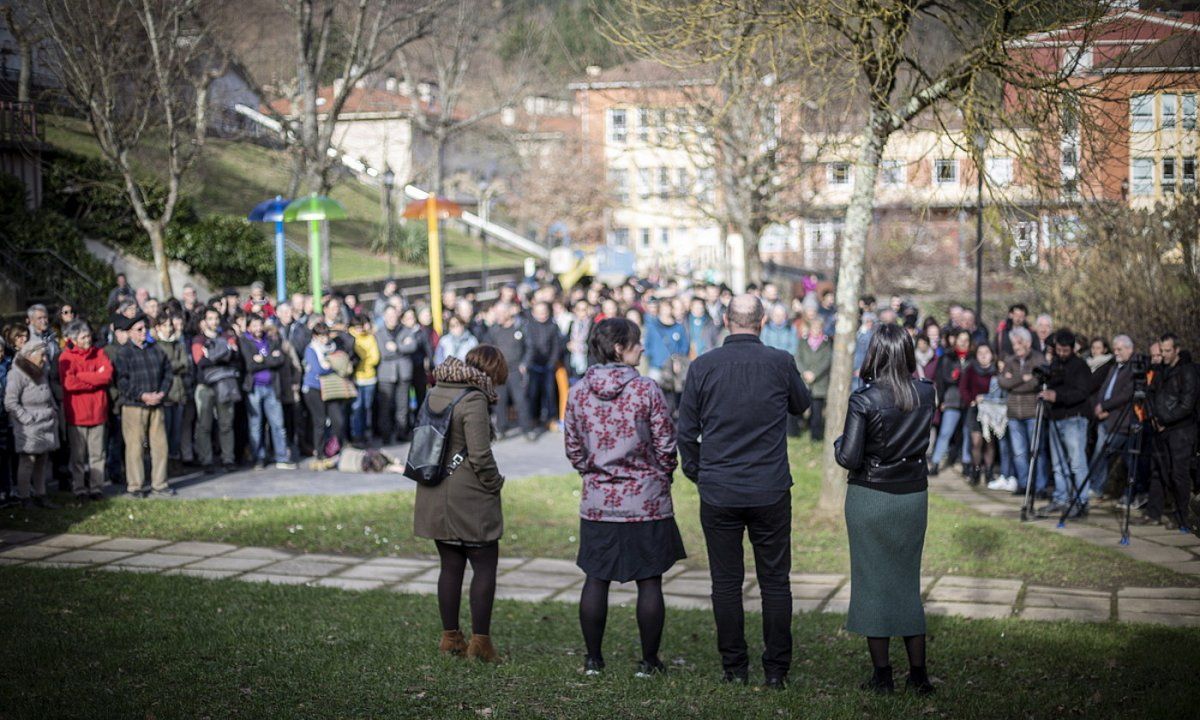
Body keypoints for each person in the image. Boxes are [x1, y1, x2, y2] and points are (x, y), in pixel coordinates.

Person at [676, 295, 810, 688]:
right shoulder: (780, 362)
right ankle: (775, 671)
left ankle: (735, 668)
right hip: (767, 488)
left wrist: (700, 472)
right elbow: (801, 406)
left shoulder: (703, 366)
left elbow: (686, 432)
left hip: (721, 489)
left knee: (726, 582)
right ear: (762, 321)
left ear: (725, 320)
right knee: (774, 581)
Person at [563, 318, 684, 678]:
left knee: (595, 578)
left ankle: (593, 660)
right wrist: (661, 474)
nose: (642, 348)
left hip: (599, 502)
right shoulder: (647, 390)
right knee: (649, 580)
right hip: (645, 502)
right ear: (619, 348)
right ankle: (649, 661)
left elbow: (573, 448)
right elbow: (666, 443)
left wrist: (595, 473)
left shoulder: (579, 391)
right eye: (636, 342)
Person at [834, 324, 936, 695]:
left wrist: (836, 443)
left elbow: (848, 457)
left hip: (871, 495)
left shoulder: (865, 399)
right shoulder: (927, 392)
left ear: (874, 354)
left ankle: (882, 676)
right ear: (907, 354)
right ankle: (919, 675)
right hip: (912, 495)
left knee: (872, 584)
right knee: (907, 583)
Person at [414, 348, 508, 664]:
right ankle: (480, 643)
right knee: (484, 565)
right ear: (491, 374)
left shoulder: (435, 390)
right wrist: (496, 482)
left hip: (434, 491)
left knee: (450, 567)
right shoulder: (474, 398)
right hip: (469, 495)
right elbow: (481, 455)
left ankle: (451, 637)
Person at [1138, 333, 1197, 529]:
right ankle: (1153, 513)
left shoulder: (1187, 371)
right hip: (1160, 428)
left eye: (1167, 351)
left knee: (1178, 474)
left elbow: (1187, 405)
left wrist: (1166, 420)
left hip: (1181, 430)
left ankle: (1183, 518)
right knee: (1157, 471)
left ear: (1177, 350)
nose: (1163, 354)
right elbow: (1152, 395)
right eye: (1161, 351)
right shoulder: (1161, 370)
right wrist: (1154, 417)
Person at [114, 315, 173, 498]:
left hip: (157, 404)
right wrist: (142, 395)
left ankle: (159, 483)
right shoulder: (123, 353)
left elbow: (168, 373)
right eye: (139, 329)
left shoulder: (156, 349)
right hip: (134, 406)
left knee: (160, 445)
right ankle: (135, 486)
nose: (143, 332)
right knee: (135, 447)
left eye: (144, 328)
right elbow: (121, 381)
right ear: (130, 332)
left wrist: (162, 393)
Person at [1037, 329, 1093, 518]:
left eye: (1065, 350)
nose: (1061, 353)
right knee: (1058, 463)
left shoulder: (1080, 366)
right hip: (1056, 418)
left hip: (1074, 419)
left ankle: (1081, 500)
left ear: (1072, 348)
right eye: (1058, 349)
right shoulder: (1054, 364)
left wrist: (1057, 396)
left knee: (1077, 462)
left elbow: (1082, 393)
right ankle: (1061, 497)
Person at [59, 321, 113, 501]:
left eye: (89, 335)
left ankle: (96, 487)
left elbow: (106, 376)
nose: (88, 339)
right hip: (77, 414)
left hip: (98, 412)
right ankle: (79, 488)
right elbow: (69, 383)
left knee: (98, 454)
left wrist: (81, 376)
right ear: (74, 340)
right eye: (83, 337)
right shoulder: (66, 357)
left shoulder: (99, 353)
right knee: (78, 457)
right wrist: (94, 377)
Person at [4, 338, 60, 508]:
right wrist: (26, 419)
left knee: (42, 459)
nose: (44, 359)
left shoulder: (40, 370)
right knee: (28, 460)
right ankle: (24, 496)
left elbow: (47, 393)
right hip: (29, 425)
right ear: (30, 355)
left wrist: (54, 410)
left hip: (45, 421)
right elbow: (10, 402)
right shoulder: (17, 373)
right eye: (41, 355)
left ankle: (41, 494)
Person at [997, 327, 1048, 496]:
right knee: (1019, 452)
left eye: (1018, 343)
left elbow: (1036, 382)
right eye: (1013, 344)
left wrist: (1015, 382)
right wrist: (1022, 378)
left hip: (1032, 412)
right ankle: (1024, 483)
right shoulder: (1010, 360)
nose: (1015, 347)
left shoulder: (1038, 359)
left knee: (1036, 451)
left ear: (1027, 343)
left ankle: (1040, 486)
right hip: (1014, 413)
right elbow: (1003, 382)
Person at [239, 314, 293, 469]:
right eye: (254, 325)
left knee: (277, 423)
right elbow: (249, 365)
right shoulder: (244, 341)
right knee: (256, 425)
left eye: (259, 325)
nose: (258, 328)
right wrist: (269, 359)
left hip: (271, 387)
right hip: (254, 388)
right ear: (248, 327)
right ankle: (259, 458)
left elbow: (280, 360)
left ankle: (281, 457)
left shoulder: (270, 340)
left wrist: (263, 359)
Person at [1088, 335, 1135, 500]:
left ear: (1129, 349)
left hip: (1120, 420)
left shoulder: (1131, 369)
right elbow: (1105, 389)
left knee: (1104, 453)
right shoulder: (1114, 367)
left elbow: (1126, 395)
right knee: (1100, 453)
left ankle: (1096, 486)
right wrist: (1099, 406)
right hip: (1104, 418)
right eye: (1115, 349)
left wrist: (1106, 406)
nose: (1116, 352)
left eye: (1120, 349)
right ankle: (1095, 486)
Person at [192, 307, 239, 473]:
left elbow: (234, 356)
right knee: (204, 425)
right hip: (205, 387)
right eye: (210, 318)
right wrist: (223, 353)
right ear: (204, 321)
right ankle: (206, 460)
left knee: (226, 423)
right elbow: (200, 361)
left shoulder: (226, 336)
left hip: (225, 385)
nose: (214, 322)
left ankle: (228, 458)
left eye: (216, 318)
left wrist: (212, 354)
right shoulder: (198, 339)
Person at [483, 303, 530, 439]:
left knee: (520, 400)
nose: (498, 316)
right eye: (496, 313)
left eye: (500, 313)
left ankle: (526, 429)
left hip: (516, 370)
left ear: (509, 313)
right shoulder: (494, 330)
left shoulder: (520, 327)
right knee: (500, 400)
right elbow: (487, 347)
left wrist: (525, 363)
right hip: (499, 371)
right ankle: (501, 429)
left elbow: (529, 347)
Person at [929, 330, 972, 475]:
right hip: (951, 400)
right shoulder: (948, 357)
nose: (963, 342)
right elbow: (941, 381)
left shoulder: (973, 358)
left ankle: (966, 463)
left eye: (966, 340)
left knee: (968, 432)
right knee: (946, 432)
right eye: (961, 339)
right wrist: (941, 400)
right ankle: (935, 462)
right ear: (956, 340)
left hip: (969, 402)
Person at [153, 313, 190, 468]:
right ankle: (164, 465)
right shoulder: (156, 346)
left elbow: (185, 364)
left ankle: (174, 462)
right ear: (158, 327)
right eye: (165, 326)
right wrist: (173, 366)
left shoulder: (178, 344)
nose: (168, 329)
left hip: (179, 393)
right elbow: (161, 368)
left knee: (176, 433)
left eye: (170, 325)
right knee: (165, 432)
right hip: (165, 394)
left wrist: (171, 365)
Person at [522, 302, 561, 438]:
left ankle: (551, 418)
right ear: (533, 313)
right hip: (533, 365)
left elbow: (556, 346)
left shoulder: (553, 326)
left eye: (544, 311)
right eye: (539, 311)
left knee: (549, 392)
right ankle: (534, 418)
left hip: (548, 365)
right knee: (533, 393)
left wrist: (552, 362)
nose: (542, 314)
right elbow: (526, 346)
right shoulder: (528, 326)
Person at [795, 318, 832, 442]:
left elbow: (827, 360)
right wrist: (804, 372)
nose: (816, 331)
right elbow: (798, 358)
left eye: (819, 328)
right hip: (804, 381)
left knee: (817, 412)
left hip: (820, 382)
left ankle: (815, 436)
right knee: (798, 408)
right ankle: (797, 431)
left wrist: (814, 374)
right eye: (814, 328)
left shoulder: (827, 343)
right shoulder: (803, 342)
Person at [348, 315, 381, 444]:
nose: (359, 330)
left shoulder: (370, 337)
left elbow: (375, 358)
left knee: (367, 408)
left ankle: (366, 433)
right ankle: (357, 434)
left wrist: (365, 359)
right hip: (356, 378)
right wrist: (365, 357)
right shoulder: (351, 339)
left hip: (369, 378)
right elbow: (360, 356)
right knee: (357, 408)